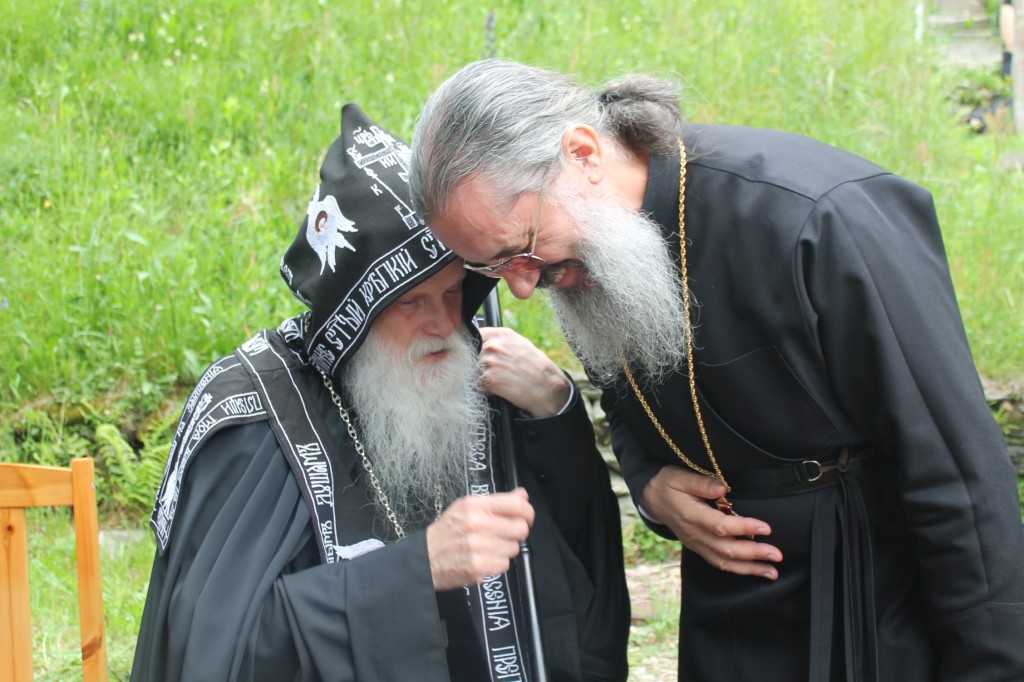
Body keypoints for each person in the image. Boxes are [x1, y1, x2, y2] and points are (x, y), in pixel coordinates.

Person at [408, 59, 1024, 682]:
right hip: (727, 605)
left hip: (874, 597)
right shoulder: (586, 255)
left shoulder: (814, 216)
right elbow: (628, 400)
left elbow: (956, 471)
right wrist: (649, 485)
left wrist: (992, 663)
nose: (520, 286)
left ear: (584, 153)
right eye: (492, 267)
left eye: (519, 248)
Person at [129, 103, 630, 682]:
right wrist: (417, 570)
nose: (442, 323)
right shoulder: (256, 415)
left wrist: (557, 410)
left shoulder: (476, 376)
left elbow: (574, 576)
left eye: (452, 294)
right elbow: (216, 649)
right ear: (355, 313)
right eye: (410, 302)